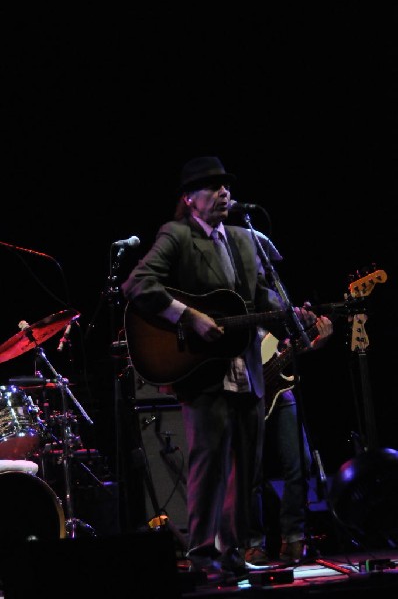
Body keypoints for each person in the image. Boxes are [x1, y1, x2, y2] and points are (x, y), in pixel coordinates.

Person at [120, 155, 320, 581]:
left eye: (226, 185)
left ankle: (233, 552)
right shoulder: (175, 235)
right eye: (212, 187)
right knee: (209, 462)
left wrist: (292, 314)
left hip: (245, 367)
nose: (224, 192)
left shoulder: (245, 239)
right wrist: (188, 316)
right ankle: (202, 554)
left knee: (245, 465)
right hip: (202, 370)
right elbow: (138, 284)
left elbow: (262, 295)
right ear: (190, 199)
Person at [245, 318, 333, 567]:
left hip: (280, 389)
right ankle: (252, 543)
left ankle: (294, 536)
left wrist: (314, 342)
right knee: (251, 472)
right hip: (245, 384)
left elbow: (284, 345)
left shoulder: (271, 286)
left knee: (301, 462)